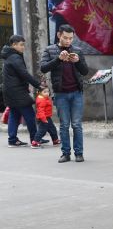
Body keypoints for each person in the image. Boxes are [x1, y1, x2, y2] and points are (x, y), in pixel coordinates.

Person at [41, 24, 89, 163]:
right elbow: (43, 68)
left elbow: (85, 71)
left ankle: (79, 153)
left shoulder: (77, 51)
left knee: (77, 125)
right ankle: (65, 153)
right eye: (65, 38)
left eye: (71, 38)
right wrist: (58, 59)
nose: (68, 41)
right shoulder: (50, 50)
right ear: (58, 35)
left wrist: (77, 61)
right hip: (61, 93)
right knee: (64, 125)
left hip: (76, 93)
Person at [2, 35, 44, 147]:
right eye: (21, 45)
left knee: (14, 114)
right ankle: (35, 139)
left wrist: (25, 86)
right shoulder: (15, 57)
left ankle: (12, 139)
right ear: (13, 45)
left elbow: (15, 75)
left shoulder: (9, 56)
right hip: (17, 92)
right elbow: (24, 73)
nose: (23, 47)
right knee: (29, 114)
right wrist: (38, 85)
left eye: (23, 44)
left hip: (10, 90)